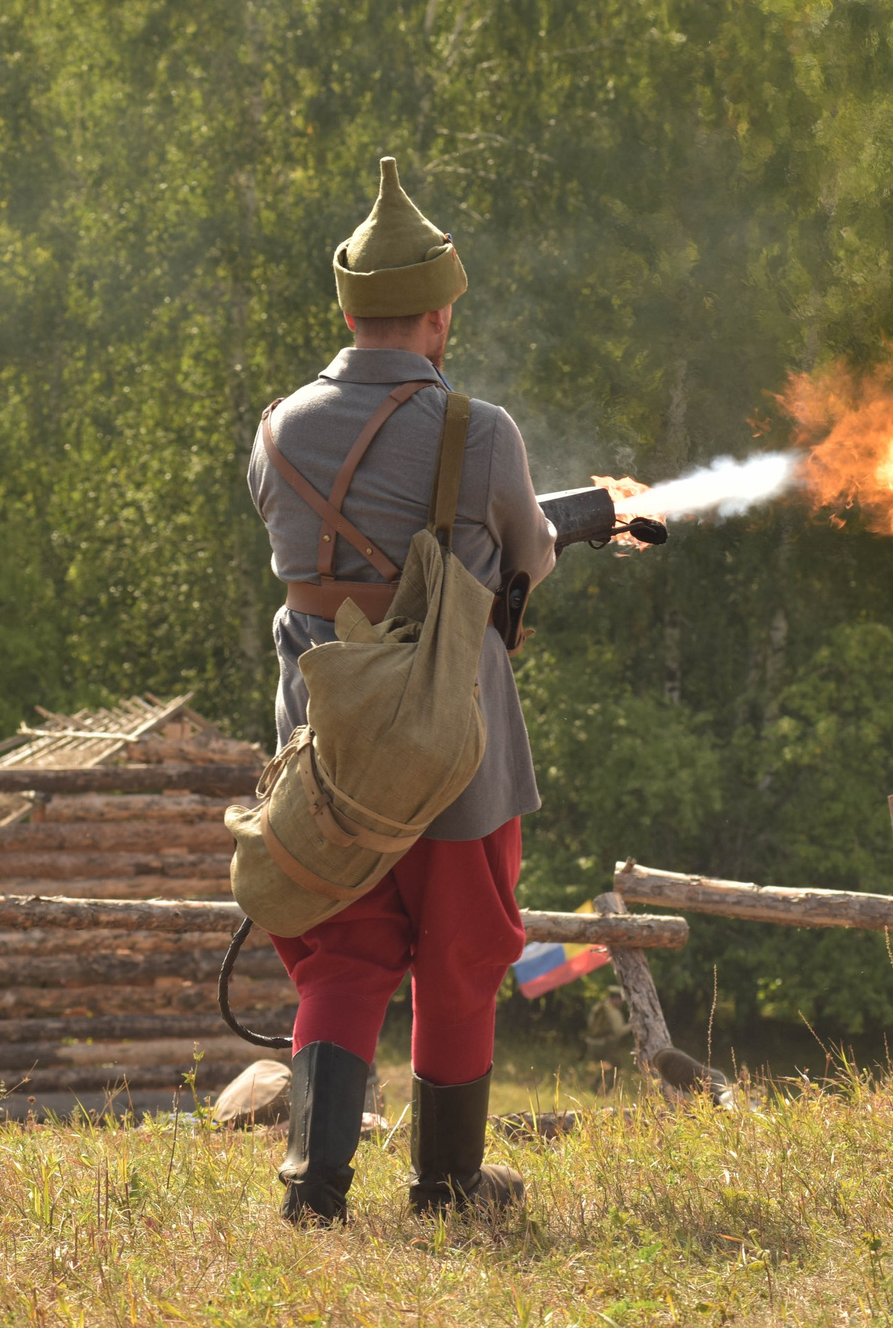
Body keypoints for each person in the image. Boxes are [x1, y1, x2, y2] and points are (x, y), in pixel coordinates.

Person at [249, 158, 557, 1225]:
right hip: (446, 736)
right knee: (464, 948)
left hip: (326, 737)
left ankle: (314, 1185)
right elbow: (533, 559)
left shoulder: (277, 426)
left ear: (346, 309)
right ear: (436, 314)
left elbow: (324, 558)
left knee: (341, 948)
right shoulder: (484, 432)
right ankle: (446, 1183)